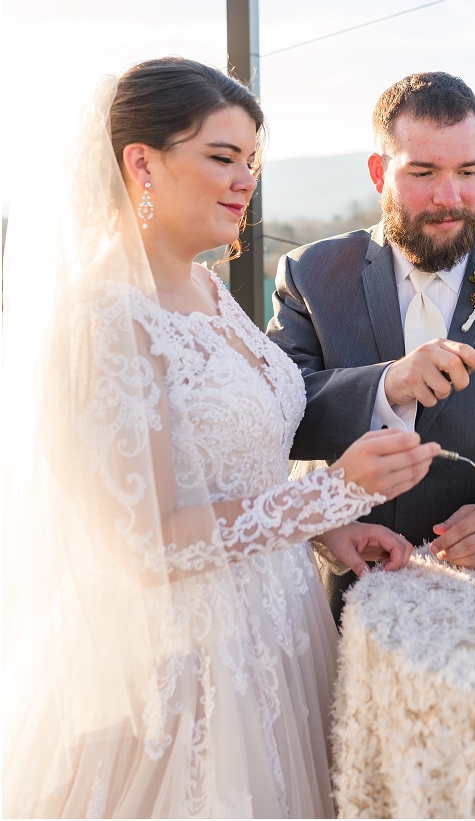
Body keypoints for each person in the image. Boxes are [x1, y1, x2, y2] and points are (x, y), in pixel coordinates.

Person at [2, 57, 439, 819]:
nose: (245, 181)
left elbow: (235, 472)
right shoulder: (103, 321)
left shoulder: (207, 286)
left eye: (252, 162)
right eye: (221, 156)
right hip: (182, 674)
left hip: (277, 637)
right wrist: (335, 487)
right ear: (142, 162)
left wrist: (328, 528)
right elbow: (149, 546)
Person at [268, 72, 475, 618]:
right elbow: (275, 418)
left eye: (467, 171)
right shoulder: (311, 275)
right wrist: (386, 385)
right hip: (347, 597)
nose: (448, 197)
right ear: (379, 171)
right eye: (423, 172)